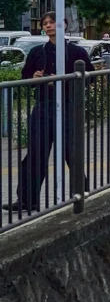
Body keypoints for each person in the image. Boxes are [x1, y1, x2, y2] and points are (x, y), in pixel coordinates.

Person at [14, 12, 90, 214]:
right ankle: (26, 200)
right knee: (35, 154)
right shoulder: (37, 52)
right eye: (45, 23)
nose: (48, 26)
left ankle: (82, 193)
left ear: (63, 25)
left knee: (71, 152)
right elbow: (25, 78)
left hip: (67, 106)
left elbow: (88, 78)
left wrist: (66, 79)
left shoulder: (77, 52)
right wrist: (35, 77)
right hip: (43, 106)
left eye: (52, 22)